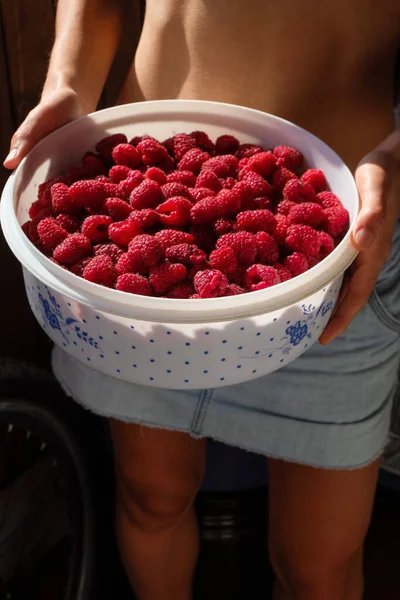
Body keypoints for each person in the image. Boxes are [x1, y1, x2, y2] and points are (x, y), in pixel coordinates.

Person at [4, 2, 400, 598]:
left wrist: (397, 159)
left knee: (317, 567)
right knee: (150, 496)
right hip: (141, 220)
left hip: (333, 254)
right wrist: (68, 84)